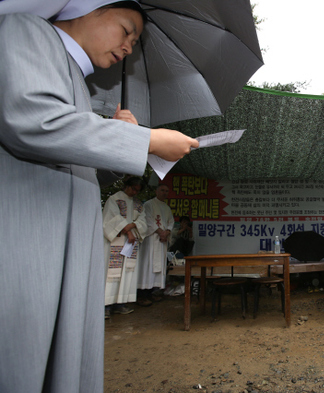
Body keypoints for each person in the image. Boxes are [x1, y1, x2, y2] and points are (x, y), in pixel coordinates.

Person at [0, 2, 199, 391]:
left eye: (135, 42)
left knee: (63, 353)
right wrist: (146, 139)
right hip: (29, 238)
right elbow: (32, 120)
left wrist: (115, 131)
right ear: (86, 7)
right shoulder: (27, 30)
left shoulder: (77, 78)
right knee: (22, 355)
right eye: (126, 30)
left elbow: (75, 161)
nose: (128, 47)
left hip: (66, 242)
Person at [103, 177, 149, 312]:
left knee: (127, 273)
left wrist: (132, 225)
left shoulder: (138, 204)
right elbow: (111, 219)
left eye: (137, 191)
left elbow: (143, 222)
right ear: (126, 185)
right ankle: (106, 305)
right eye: (133, 189)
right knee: (112, 273)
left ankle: (120, 304)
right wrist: (128, 231)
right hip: (116, 242)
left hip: (130, 243)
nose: (135, 192)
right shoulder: (114, 199)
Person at [137, 183, 174, 303]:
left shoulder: (166, 207)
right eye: (162, 190)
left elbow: (171, 221)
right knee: (147, 265)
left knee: (158, 267)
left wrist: (167, 232)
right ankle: (142, 295)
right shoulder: (148, 204)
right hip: (151, 240)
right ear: (156, 191)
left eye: (167, 191)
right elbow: (148, 220)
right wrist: (160, 232)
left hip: (161, 241)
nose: (165, 193)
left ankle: (152, 292)